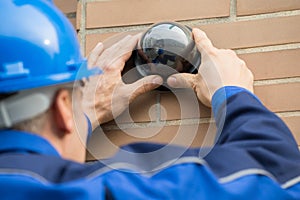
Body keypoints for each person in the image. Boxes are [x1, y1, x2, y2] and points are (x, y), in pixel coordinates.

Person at [0, 1, 299, 199]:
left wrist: (81, 111)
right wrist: (233, 93)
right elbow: (277, 175)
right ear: (61, 109)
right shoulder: (100, 191)